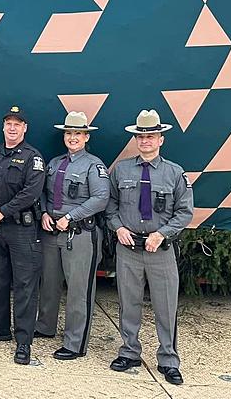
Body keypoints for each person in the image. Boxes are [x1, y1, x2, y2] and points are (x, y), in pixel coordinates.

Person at [106, 109, 193, 385]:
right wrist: (118, 227)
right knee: (128, 304)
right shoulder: (121, 170)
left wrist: (162, 234)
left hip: (160, 251)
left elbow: (185, 212)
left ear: (160, 140)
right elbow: (110, 206)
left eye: (151, 136)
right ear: (136, 139)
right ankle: (129, 351)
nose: (145, 141)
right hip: (129, 249)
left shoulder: (174, 173)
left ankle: (168, 359)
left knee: (165, 307)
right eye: (141, 136)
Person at [0, 105, 46, 365]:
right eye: (8, 123)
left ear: (24, 128)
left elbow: (31, 193)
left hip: (21, 230)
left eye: (17, 123)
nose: (12, 127)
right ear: (3, 127)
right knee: (0, 282)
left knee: (25, 285)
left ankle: (23, 341)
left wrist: (3, 211)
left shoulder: (32, 158)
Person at [36, 111, 110, 361]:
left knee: (79, 290)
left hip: (79, 234)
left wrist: (71, 217)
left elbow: (101, 198)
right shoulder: (55, 163)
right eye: (69, 133)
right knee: (49, 283)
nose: (72, 137)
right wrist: (45, 213)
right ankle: (45, 327)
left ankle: (75, 343)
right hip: (52, 231)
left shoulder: (94, 165)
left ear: (86, 136)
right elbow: (43, 192)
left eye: (77, 133)